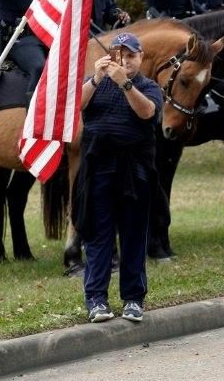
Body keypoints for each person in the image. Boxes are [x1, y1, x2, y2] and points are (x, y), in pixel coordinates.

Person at [73, 32, 163, 323]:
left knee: (134, 235)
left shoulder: (148, 87)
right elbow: (77, 105)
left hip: (135, 170)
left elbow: (147, 112)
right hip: (98, 167)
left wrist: (124, 82)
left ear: (141, 57)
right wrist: (98, 78)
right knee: (98, 236)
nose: (125, 61)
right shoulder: (96, 83)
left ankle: (133, 299)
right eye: (119, 55)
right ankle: (96, 300)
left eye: (131, 55)